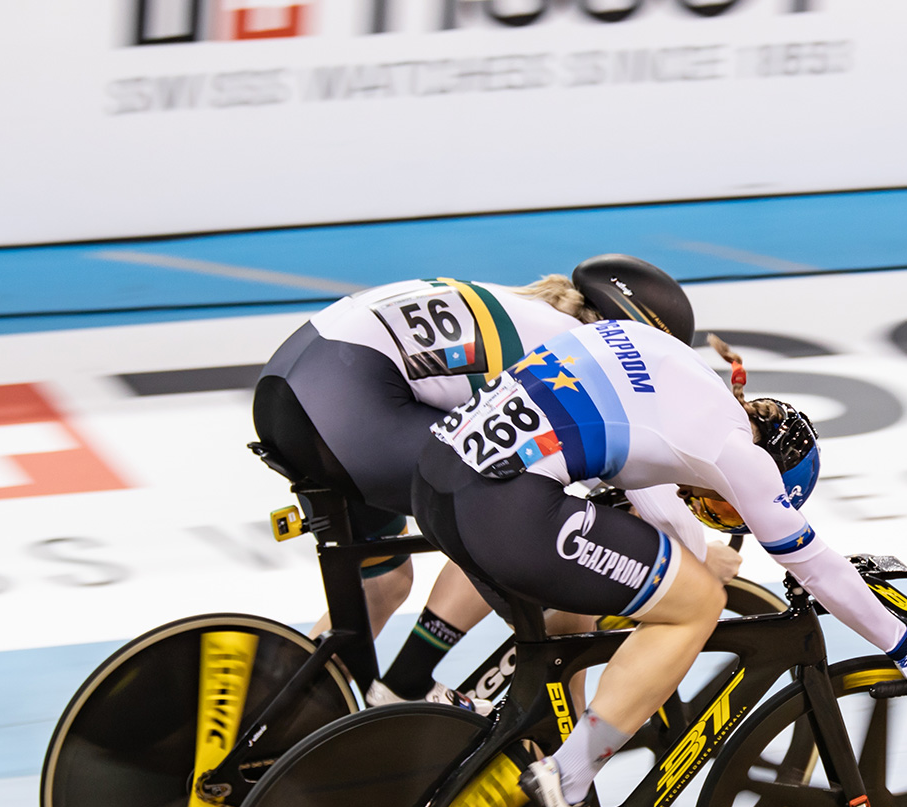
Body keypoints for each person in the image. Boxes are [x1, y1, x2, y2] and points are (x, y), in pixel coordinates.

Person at [410, 317, 907, 807]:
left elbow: (658, 500)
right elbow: (816, 567)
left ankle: (495, 722)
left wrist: (687, 554)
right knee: (697, 604)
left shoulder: (680, 372)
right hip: (506, 506)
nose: (714, 508)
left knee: (579, 614)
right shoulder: (739, 455)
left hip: (435, 480)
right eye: (729, 507)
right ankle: (566, 781)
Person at [249, 255, 692, 706]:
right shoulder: (572, 346)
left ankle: (279, 719)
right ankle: (556, 750)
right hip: (347, 402)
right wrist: (693, 561)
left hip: (294, 391)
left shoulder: (533, 313)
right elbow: (641, 482)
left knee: (384, 583)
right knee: (530, 544)